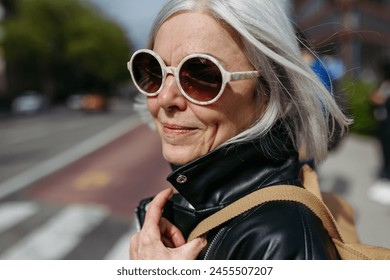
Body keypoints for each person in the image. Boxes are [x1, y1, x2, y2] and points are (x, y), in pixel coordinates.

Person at [128, 0, 351, 260]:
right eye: (154, 70)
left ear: (268, 91)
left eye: (202, 74)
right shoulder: (195, 201)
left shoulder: (278, 242)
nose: (166, 98)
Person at [367, 56, 390, 205]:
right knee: (384, 152)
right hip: (382, 125)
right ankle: (385, 176)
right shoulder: (383, 84)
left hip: (387, 124)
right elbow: (375, 99)